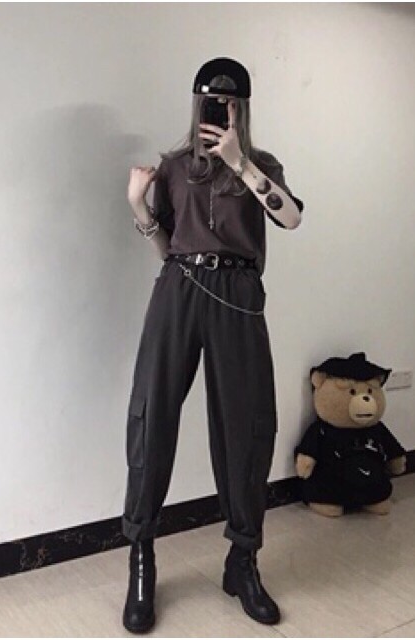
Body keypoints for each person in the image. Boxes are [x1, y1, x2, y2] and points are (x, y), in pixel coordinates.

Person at [121, 57, 304, 633]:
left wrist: (239, 162)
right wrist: (138, 207)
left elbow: (292, 219)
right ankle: (142, 556)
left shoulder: (262, 166)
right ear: (196, 104)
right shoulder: (175, 167)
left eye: (227, 105)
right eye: (208, 103)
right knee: (152, 414)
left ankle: (242, 559)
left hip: (238, 295)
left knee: (247, 423)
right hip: (179, 287)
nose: (217, 112)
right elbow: (167, 245)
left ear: (241, 110)